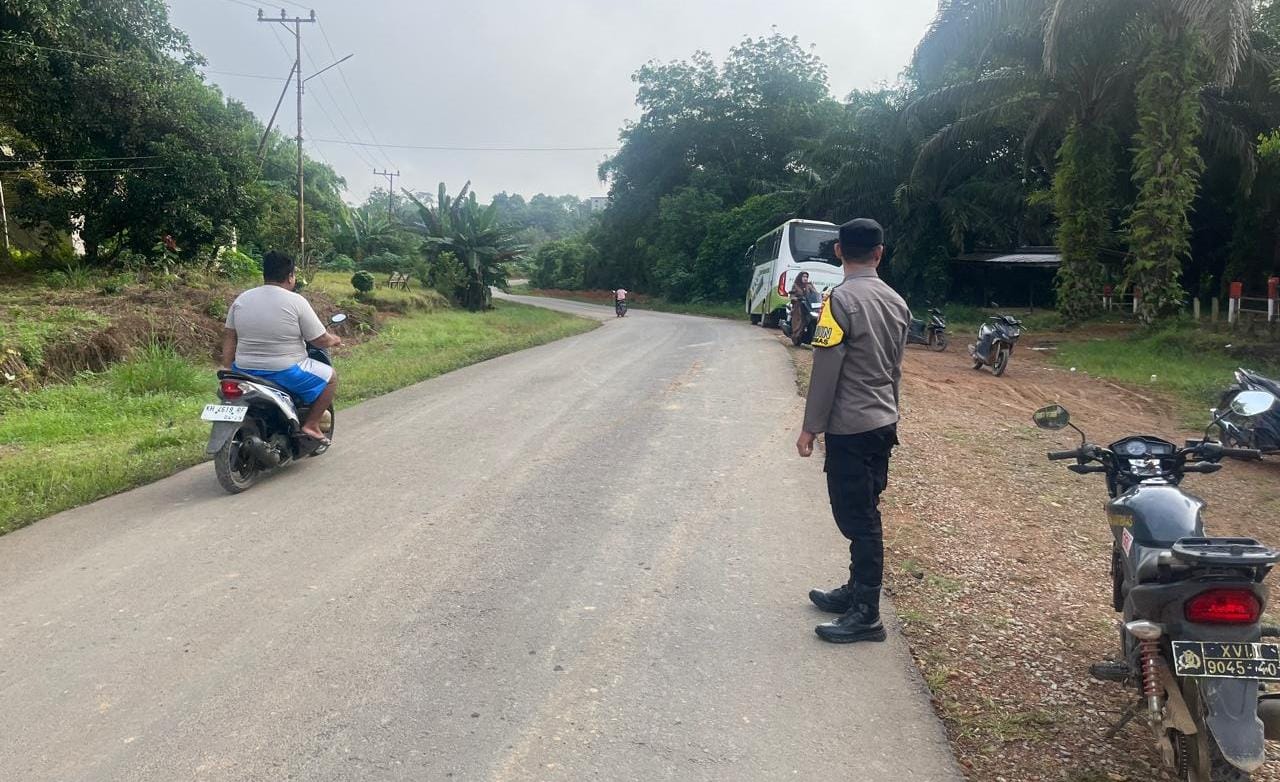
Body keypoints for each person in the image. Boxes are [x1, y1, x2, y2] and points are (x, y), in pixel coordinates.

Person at [795, 218, 910, 644]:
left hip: (850, 427)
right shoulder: (897, 302)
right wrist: (890, 411)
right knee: (865, 506)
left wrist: (811, 428)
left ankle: (867, 614)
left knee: (858, 518)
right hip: (882, 421)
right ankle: (854, 593)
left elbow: (826, 370)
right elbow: (896, 369)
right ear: (880, 253)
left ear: (839, 251)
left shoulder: (838, 301)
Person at [221, 250, 342, 444]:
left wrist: (227, 367)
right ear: (290, 276)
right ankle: (311, 424)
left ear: (265, 274)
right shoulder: (296, 301)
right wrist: (334, 340)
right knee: (331, 378)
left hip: (243, 371)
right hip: (284, 371)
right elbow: (319, 340)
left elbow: (229, 336)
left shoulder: (242, 299)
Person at [788, 271, 818, 340]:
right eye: (804, 276)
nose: (805, 278)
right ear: (800, 277)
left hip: (808, 305)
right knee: (799, 318)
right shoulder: (796, 285)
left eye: (806, 277)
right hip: (798, 305)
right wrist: (795, 298)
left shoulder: (809, 285)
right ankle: (795, 334)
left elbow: (815, 293)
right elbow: (792, 295)